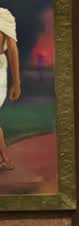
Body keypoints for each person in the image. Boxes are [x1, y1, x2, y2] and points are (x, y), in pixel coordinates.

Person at [0, 8, 21, 171]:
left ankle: (4, 158)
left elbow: (12, 49)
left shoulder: (3, 15)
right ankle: (4, 159)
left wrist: (17, 83)